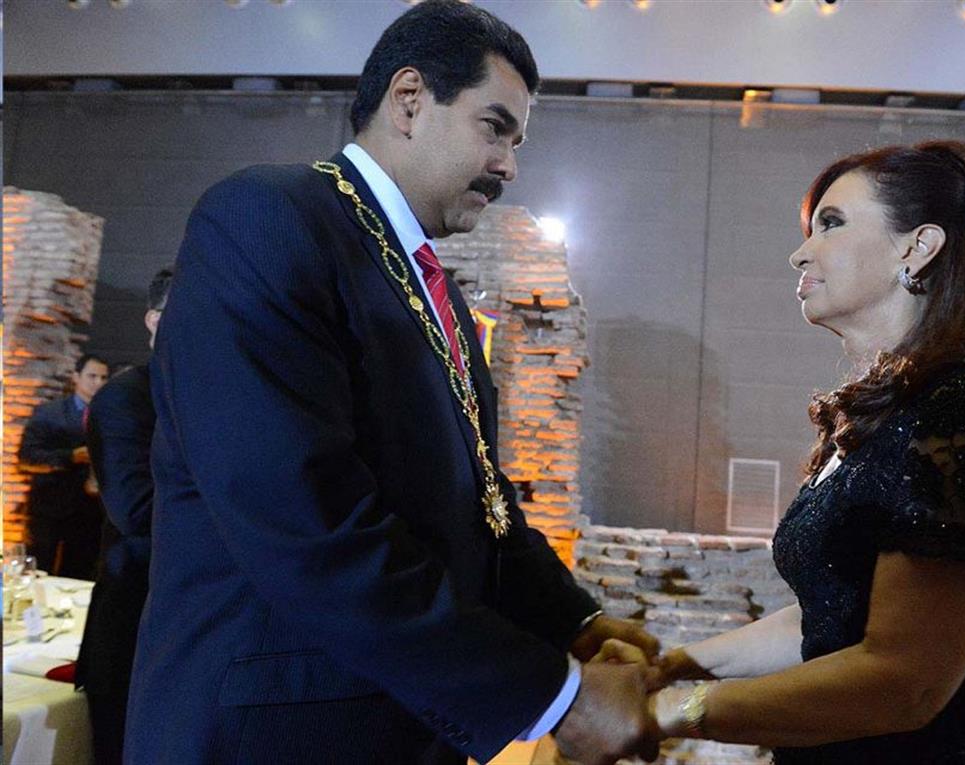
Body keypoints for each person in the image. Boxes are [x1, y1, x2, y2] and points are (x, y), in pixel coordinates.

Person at [126, 3, 659, 764]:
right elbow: (305, 514)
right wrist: (555, 697)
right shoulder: (266, 218)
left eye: (517, 143)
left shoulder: (433, 289)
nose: (508, 167)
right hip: (273, 734)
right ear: (409, 101)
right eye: (494, 128)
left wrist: (572, 620)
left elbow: (478, 502)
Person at [648, 141, 965, 763]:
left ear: (918, 247)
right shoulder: (888, 412)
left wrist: (666, 712)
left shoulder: (962, 409)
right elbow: (829, 617)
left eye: (831, 224)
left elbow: (904, 681)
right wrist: (670, 666)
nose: (800, 253)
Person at [76, 266, 173, 765]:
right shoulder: (126, 397)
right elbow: (136, 509)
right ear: (154, 320)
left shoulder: (214, 392)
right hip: (133, 623)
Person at [18, 352, 110, 579]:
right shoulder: (50, 413)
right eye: (92, 376)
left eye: (103, 378)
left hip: (90, 512)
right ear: (76, 377)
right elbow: (27, 457)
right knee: (39, 570)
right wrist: (70, 457)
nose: (98, 383)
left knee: (79, 574)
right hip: (49, 507)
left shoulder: (112, 415)